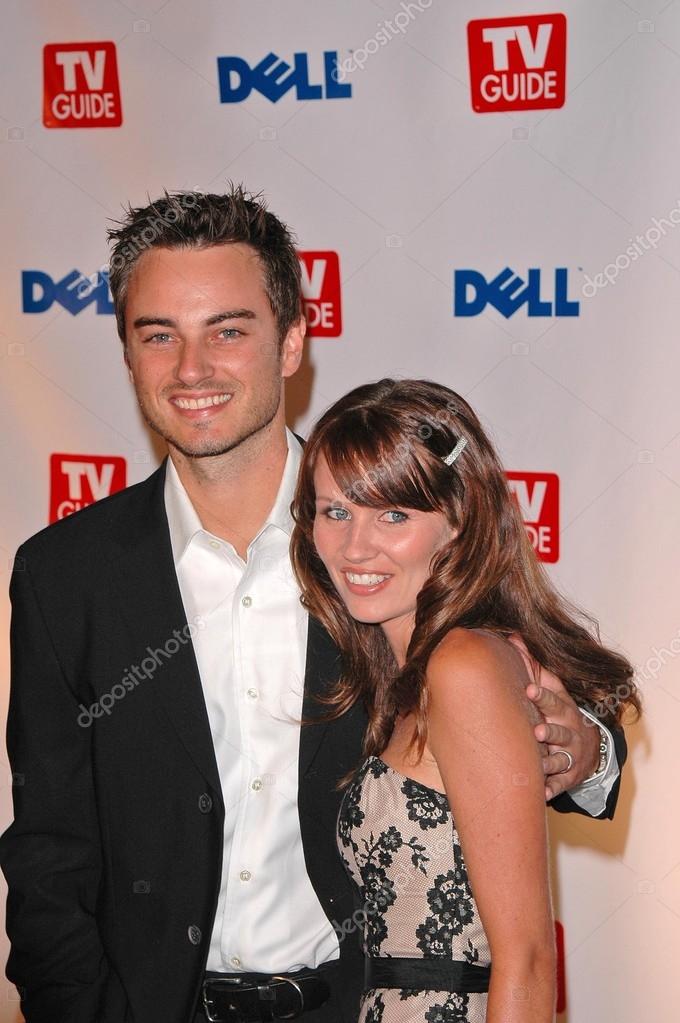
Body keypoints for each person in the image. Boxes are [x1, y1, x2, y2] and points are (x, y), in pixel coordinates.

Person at [0, 188, 626, 1023]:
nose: (193, 369)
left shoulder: (375, 550)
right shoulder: (64, 576)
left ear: (293, 340)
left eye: (228, 329)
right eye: (160, 335)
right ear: (126, 354)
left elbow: (531, 678)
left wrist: (584, 748)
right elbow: (50, 854)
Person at [289, 378, 639, 1023]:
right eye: (335, 511)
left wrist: (586, 750)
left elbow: (528, 957)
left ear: (458, 522)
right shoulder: (393, 666)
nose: (355, 546)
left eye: (394, 514)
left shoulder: (464, 665)